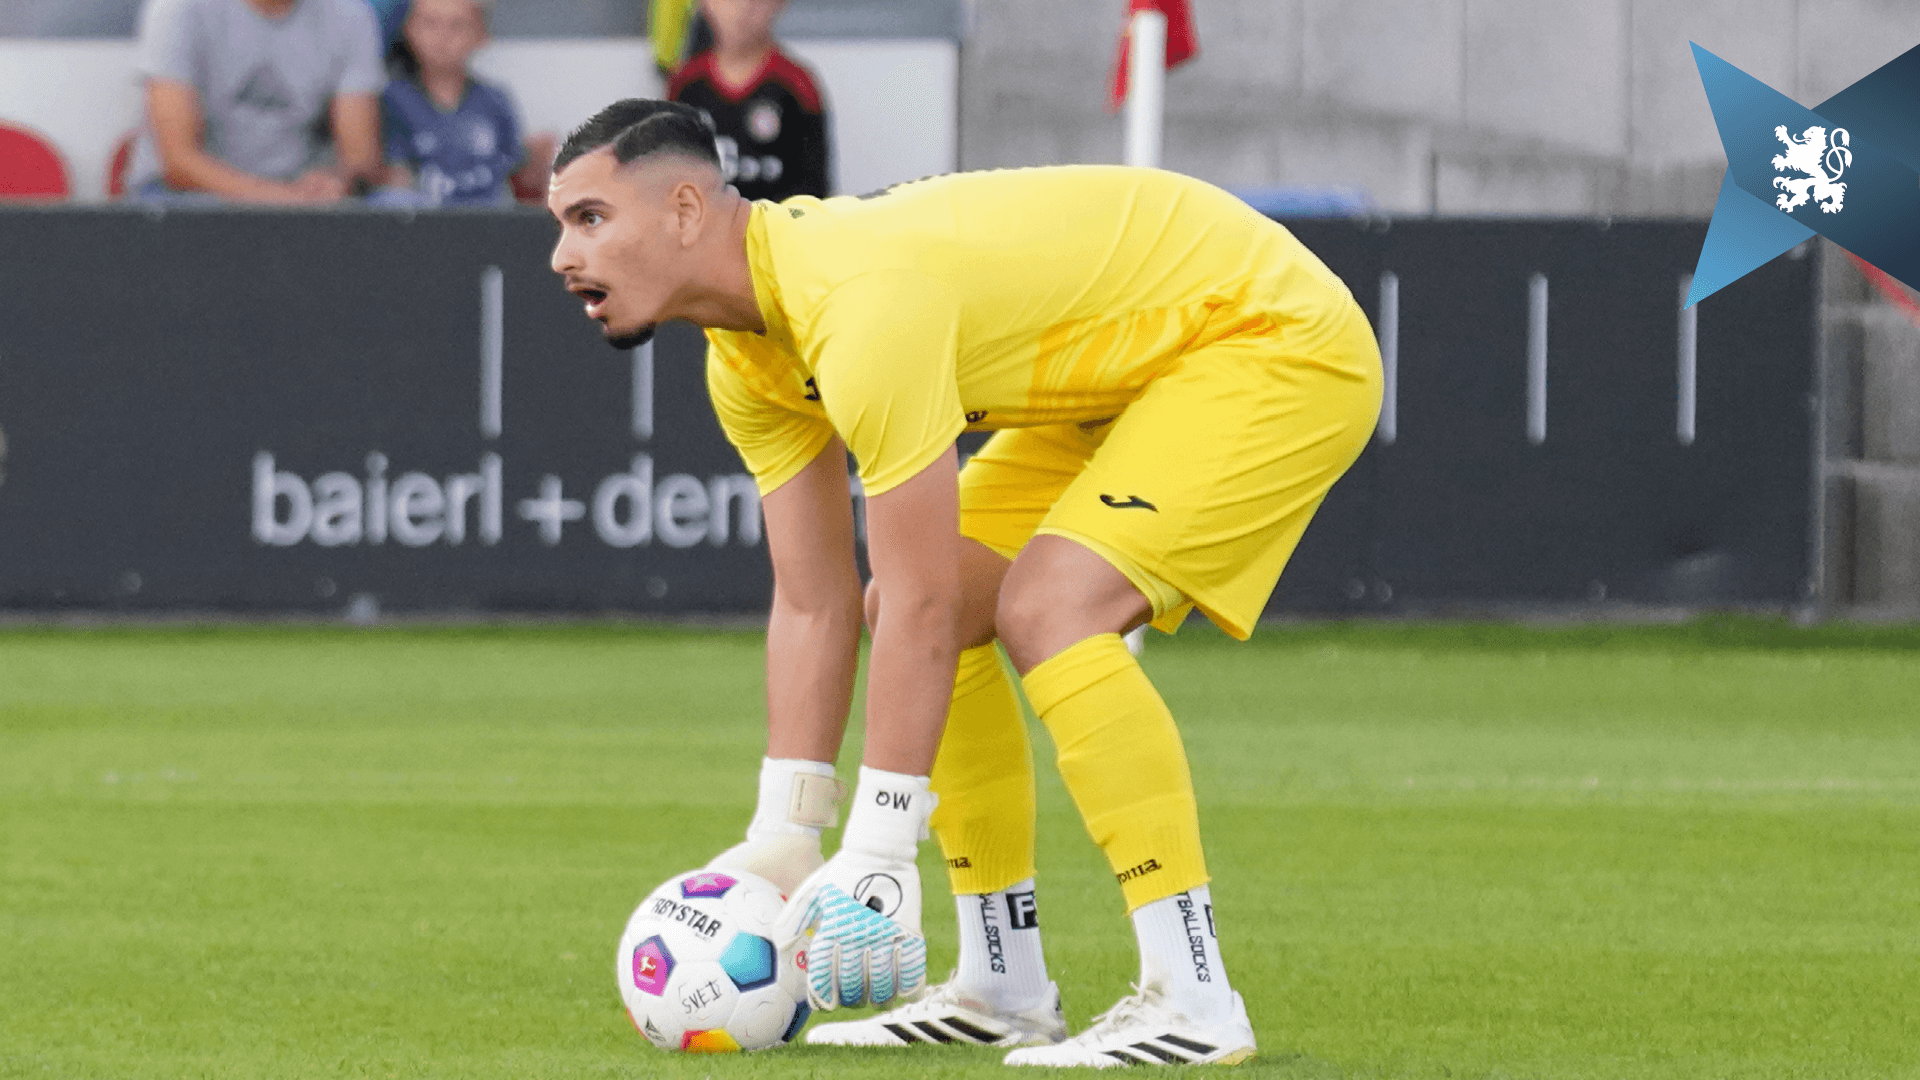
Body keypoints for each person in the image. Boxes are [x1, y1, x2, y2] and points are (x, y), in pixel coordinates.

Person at [545, 99, 1381, 1068]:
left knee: (1048, 609)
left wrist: (882, 848)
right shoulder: (744, 360)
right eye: (561, 225)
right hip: (1128, 371)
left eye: (590, 219)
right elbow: (815, 602)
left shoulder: (856, 302)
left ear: (687, 210)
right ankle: (1004, 985)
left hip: (1266, 335)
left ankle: (1194, 996)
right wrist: (789, 830)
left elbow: (924, 600)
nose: (563, 256)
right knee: (918, 604)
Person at [128, 0, 386, 203]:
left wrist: (336, 180)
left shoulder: (351, 16)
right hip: (186, 196)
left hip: (304, 195)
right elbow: (178, 162)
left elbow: (359, 157)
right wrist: (283, 199)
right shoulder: (178, 9)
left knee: (401, 206)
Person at [379, 0, 553, 206]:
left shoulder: (495, 100)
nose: (442, 36)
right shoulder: (392, 99)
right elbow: (392, 175)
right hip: (422, 220)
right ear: (408, 29)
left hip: (487, 218)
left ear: (481, 34)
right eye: (430, 23)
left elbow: (517, 175)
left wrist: (537, 160)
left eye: (458, 25)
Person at [667, 0, 830, 201]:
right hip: (707, 230)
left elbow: (815, 192)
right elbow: (671, 183)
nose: (741, 9)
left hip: (775, 230)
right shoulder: (685, 86)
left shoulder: (797, 86)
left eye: (754, 1)